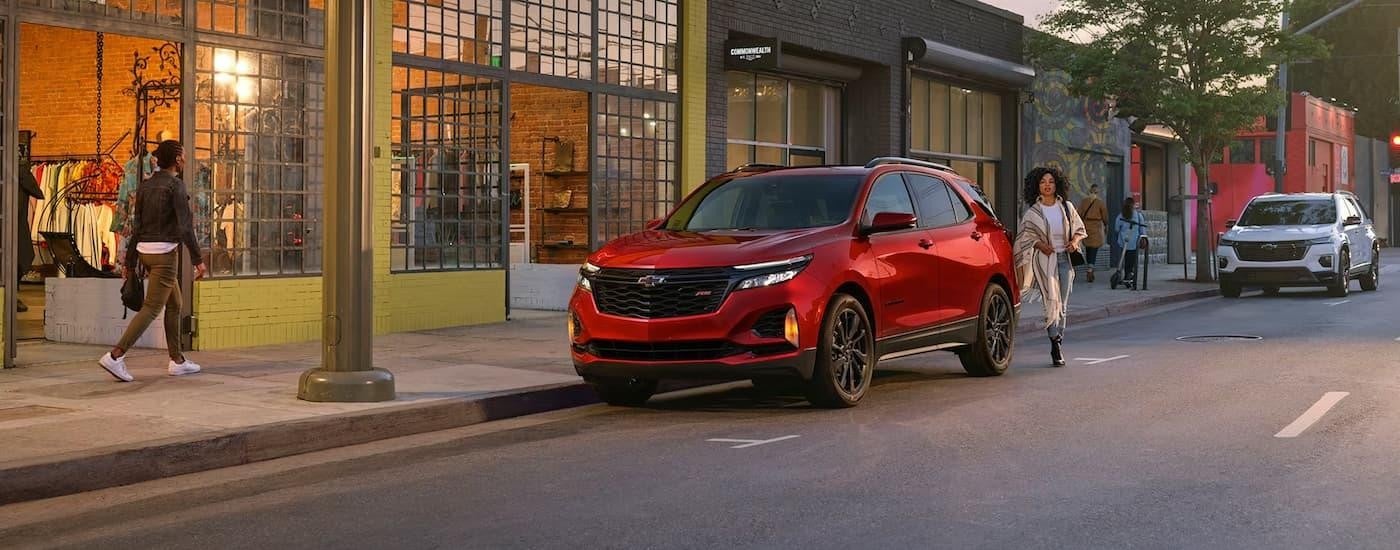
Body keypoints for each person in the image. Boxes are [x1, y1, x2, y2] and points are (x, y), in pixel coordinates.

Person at [98, 140, 207, 382]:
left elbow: (136, 226)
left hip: (145, 252)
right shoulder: (176, 185)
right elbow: (185, 226)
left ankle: (177, 361)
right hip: (164, 255)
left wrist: (130, 263)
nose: (186, 158)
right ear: (177, 159)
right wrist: (198, 259)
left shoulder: (145, 186)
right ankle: (115, 356)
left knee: (175, 303)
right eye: (184, 155)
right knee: (152, 308)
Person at [1014, 167, 1087, 367]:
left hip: (1065, 260)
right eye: (1042, 182)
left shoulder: (1067, 207)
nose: (1047, 185)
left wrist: (1075, 242)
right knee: (1050, 302)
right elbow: (1024, 237)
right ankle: (1055, 343)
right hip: (1045, 261)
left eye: (1051, 181)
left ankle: (1059, 338)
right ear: (1036, 186)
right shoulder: (1033, 212)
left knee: (1062, 305)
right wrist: (1040, 245)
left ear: (1057, 185)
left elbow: (1080, 229)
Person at [17, 159, 44, 313]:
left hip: (13, 221)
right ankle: (11, 296)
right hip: (16, 222)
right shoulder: (20, 170)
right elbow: (37, 192)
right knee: (20, 254)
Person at [1076, 183, 1108, 283]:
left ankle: (1089, 266)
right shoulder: (1100, 203)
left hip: (1086, 226)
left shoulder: (1084, 202)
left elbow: (1078, 214)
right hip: (1096, 227)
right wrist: (1106, 225)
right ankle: (1090, 268)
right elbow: (1105, 216)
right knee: (1094, 248)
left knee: (1088, 248)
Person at [1114, 196, 1148, 288]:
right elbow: (1142, 230)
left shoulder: (1121, 215)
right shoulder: (1138, 215)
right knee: (1131, 262)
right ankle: (1129, 275)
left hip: (1122, 242)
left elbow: (1116, 229)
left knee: (1122, 261)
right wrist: (1143, 238)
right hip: (1134, 243)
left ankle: (1124, 275)